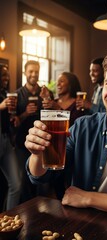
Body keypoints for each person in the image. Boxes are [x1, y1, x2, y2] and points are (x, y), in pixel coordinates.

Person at [25, 49, 107, 217]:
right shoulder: (83, 127)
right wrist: (37, 154)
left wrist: (88, 198)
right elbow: (42, 176)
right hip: (81, 227)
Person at [15, 60, 43, 203]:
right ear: (25, 72)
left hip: (41, 144)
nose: (34, 74)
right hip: (21, 144)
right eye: (31, 71)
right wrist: (25, 114)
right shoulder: (17, 94)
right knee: (24, 180)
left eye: (36, 72)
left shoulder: (45, 93)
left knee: (40, 179)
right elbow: (13, 122)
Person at [0, 65, 21, 211]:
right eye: (3, 75)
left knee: (16, 184)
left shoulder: (5, 94)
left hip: (6, 141)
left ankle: (7, 219)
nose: (6, 78)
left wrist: (14, 119)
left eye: (7, 75)